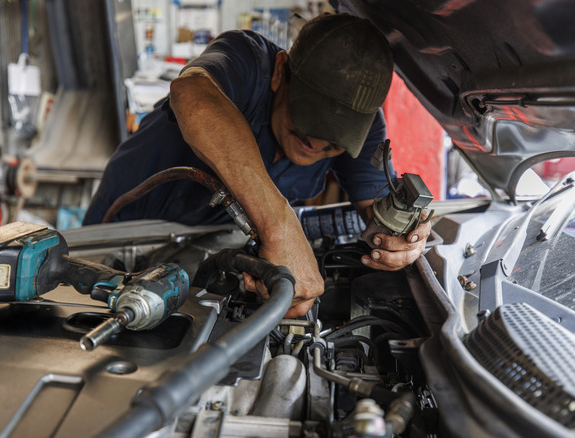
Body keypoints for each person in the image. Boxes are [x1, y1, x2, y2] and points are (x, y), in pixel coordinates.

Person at [84, 13, 432, 317]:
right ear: (281, 72)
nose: (317, 144)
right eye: (307, 121)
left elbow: (379, 214)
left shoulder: (366, 128)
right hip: (121, 235)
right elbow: (191, 95)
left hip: (205, 251)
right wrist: (281, 229)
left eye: (334, 140)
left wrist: (401, 242)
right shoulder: (248, 60)